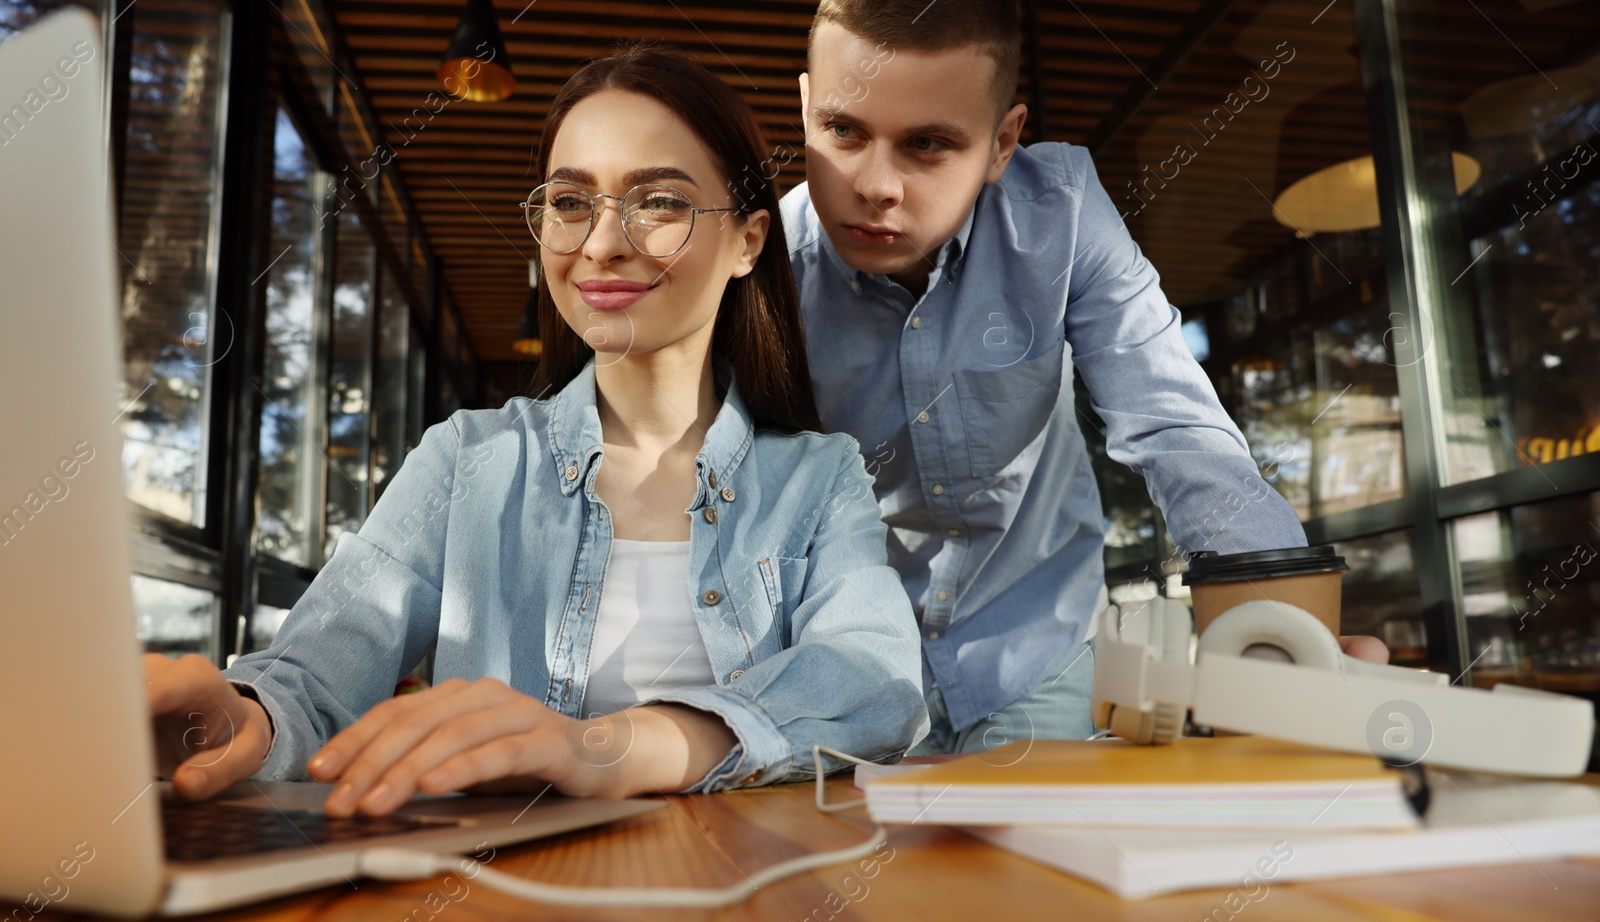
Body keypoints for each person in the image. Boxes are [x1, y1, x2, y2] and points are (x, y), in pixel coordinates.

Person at [142, 44, 928, 815]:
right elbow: (311, 684)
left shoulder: (819, 478)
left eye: (658, 201)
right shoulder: (467, 460)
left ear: (747, 241)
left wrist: (610, 744)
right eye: (570, 201)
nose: (602, 242)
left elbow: (875, 682)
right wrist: (238, 717)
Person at [782, 0, 1390, 755]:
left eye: (928, 145)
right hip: (849, 668)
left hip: (1033, 653)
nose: (875, 185)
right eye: (843, 132)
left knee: (1033, 870)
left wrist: (1285, 628)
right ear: (805, 106)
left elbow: (1173, 424)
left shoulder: (1061, 210)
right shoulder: (758, 266)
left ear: (1003, 142)